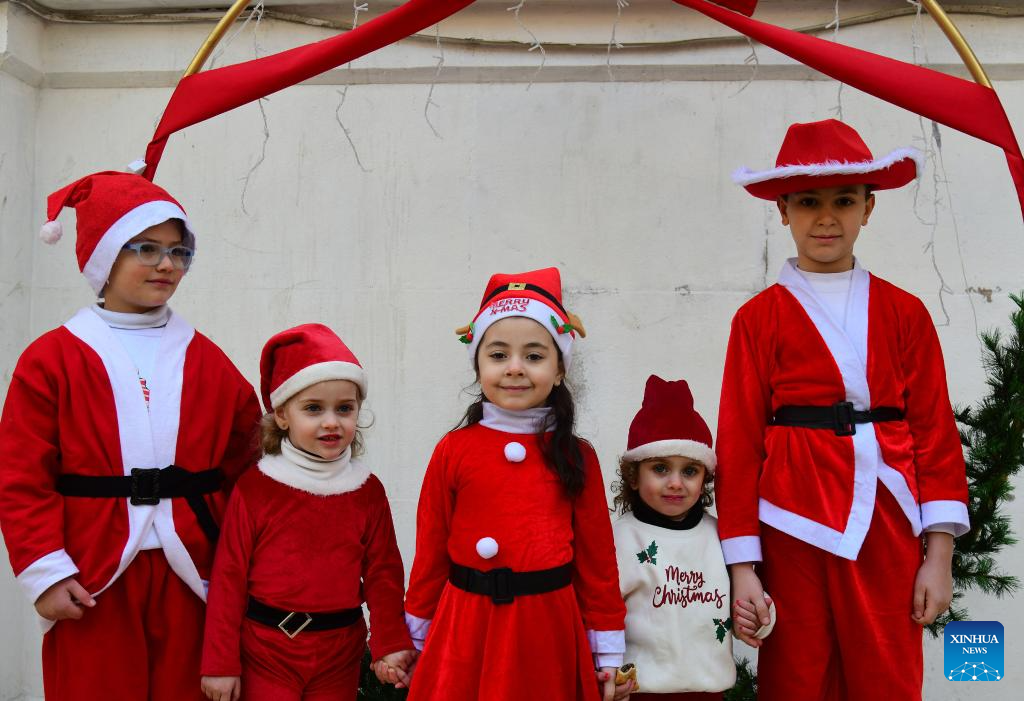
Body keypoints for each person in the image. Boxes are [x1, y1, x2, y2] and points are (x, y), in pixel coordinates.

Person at [719, 119, 970, 699]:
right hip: (790, 517)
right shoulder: (757, 319)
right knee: (796, 678)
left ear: (868, 208)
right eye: (808, 201)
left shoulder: (905, 313)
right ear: (783, 210)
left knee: (887, 672)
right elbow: (737, 440)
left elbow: (934, 431)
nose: (826, 217)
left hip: (886, 513)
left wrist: (939, 555)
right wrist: (743, 566)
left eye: (844, 200)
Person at [0, 171, 261, 700]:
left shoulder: (207, 360)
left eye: (179, 251)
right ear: (104, 257)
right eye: (146, 248)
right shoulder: (52, 359)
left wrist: (249, 564)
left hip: (193, 571)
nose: (167, 264)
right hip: (90, 573)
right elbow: (21, 474)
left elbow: (248, 465)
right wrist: (45, 571)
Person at [403, 267, 628, 701]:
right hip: (466, 624)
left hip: (546, 628)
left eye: (534, 356)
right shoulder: (453, 450)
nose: (515, 368)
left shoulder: (577, 456)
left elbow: (598, 562)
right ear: (478, 365)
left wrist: (607, 650)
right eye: (498, 354)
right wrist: (416, 634)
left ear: (559, 371)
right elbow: (430, 550)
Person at [200, 323, 415, 700]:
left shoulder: (367, 490)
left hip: (338, 653)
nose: (332, 421)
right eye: (313, 408)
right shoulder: (256, 487)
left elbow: (383, 571)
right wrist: (220, 663)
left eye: (344, 408)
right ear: (283, 415)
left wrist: (389, 642)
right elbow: (228, 579)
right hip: (267, 650)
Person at [611, 376, 738, 700]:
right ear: (634, 476)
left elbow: (746, 605)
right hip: (642, 693)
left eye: (690, 471)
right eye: (660, 468)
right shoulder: (621, 539)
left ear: (705, 477)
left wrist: (760, 619)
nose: (676, 483)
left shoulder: (720, 536)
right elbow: (601, 615)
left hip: (709, 692)